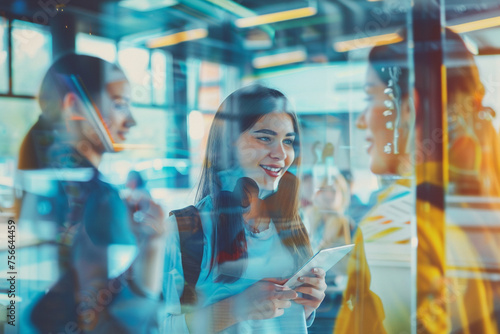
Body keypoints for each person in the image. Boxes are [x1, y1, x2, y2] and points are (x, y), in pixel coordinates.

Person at [333, 27, 500, 334]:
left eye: (370, 96)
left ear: (410, 108)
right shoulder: (475, 198)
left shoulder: (397, 222)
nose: (359, 120)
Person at [16, 53, 166, 333]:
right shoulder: (99, 197)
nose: (131, 121)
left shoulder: (39, 184)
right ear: (75, 106)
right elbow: (113, 319)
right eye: (120, 105)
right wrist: (153, 248)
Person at [162, 84, 327, 333]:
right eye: (265, 138)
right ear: (228, 145)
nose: (281, 154)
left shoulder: (291, 221)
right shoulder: (185, 229)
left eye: (288, 141)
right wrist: (237, 308)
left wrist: (308, 304)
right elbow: (158, 327)